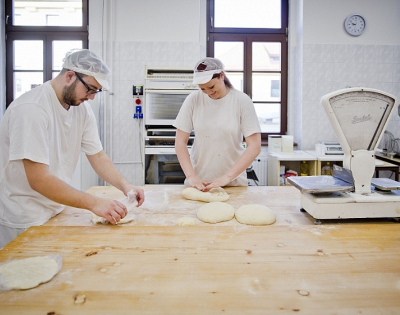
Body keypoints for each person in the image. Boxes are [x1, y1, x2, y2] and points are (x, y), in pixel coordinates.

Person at [0, 49, 145, 248]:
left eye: (96, 91)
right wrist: (95, 203)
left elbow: (98, 156)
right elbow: (38, 180)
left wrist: (125, 186)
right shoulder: (31, 110)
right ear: (70, 76)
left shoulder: (81, 110)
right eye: (90, 89)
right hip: (26, 217)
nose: (92, 97)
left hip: (57, 209)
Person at [173, 57, 262, 192]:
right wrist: (191, 176)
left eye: (211, 87)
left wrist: (227, 177)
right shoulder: (193, 100)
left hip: (234, 183)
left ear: (222, 76)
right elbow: (180, 142)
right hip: (200, 183)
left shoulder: (242, 101)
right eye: (203, 89)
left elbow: (254, 146)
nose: (208, 93)